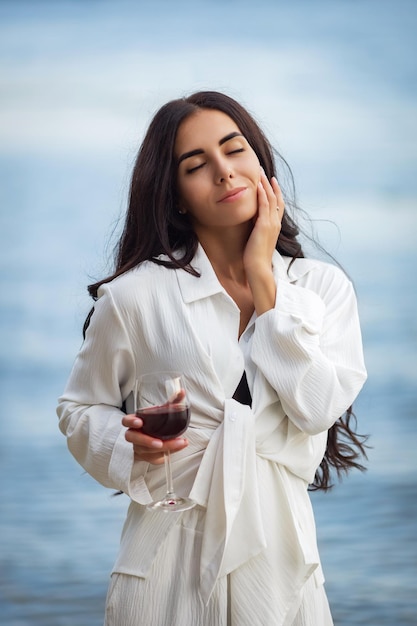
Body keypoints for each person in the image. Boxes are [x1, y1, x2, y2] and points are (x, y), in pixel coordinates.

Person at [57, 91, 368, 626]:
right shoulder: (137, 296)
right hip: (165, 566)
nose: (224, 173)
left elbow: (316, 407)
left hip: (283, 569)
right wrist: (128, 444)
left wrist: (265, 282)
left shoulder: (322, 289)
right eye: (197, 166)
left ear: (261, 163)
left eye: (235, 150)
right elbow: (79, 408)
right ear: (176, 195)